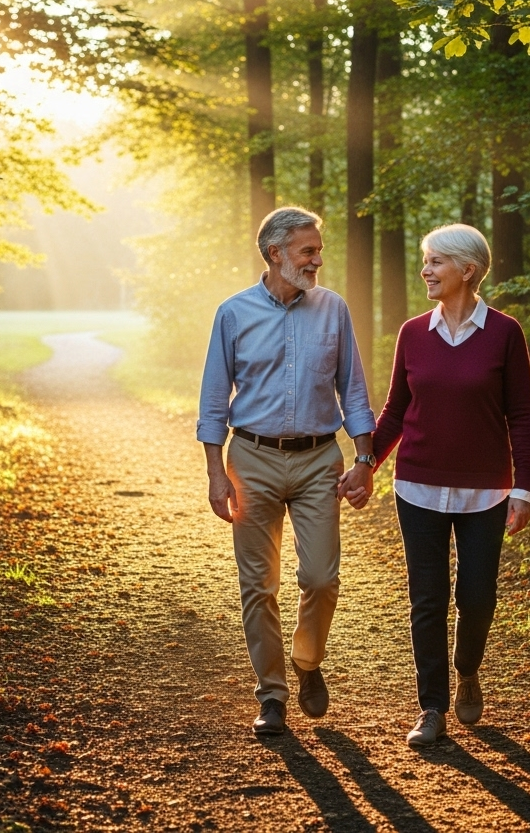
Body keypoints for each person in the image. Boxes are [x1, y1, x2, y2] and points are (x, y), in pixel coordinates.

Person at [349, 223, 530, 746]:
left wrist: (524, 488)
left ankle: (467, 669)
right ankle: (431, 707)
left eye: (434, 262)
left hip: (487, 491)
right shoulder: (413, 333)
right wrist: (366, 462)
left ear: (467, 270)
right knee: (426, 599)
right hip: (418, 486)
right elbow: (394, 411)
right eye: (425, 261)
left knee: (476, 596)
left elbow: (521, 415)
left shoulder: (504, 333)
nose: (425, 271)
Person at [198, 206, 377, 736]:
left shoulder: (333, 309)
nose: (318, 260)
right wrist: (215, 472)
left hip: (319, 457)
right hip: (251, 459)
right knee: (258, 583)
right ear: (275, 253)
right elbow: (213, 401)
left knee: (321, 578)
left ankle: (307, 659)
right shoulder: (232, 314)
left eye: (318, 250)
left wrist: (364, 460)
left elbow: (355, 391)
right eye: (308, 250)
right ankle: (272, 693)